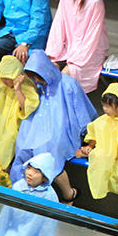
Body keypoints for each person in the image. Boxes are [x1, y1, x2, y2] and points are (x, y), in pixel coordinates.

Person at [12, 49, 97, 202]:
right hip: (35, 124)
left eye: (38, 76)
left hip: (62, 128)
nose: (37, 80)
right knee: (22, 146)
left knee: (48, 152)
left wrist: (88, 137)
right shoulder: (36, 86)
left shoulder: (68, 84)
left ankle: (67, 194)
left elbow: (82, 112)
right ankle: (22, 192)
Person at [45, 0, 109, 94]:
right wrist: (53, 52)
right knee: (48, 69)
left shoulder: (95, 2)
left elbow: (93, 35)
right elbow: (58, 25)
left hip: (90, 51)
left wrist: (77, 58)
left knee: (67, 74)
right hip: (69, 46)